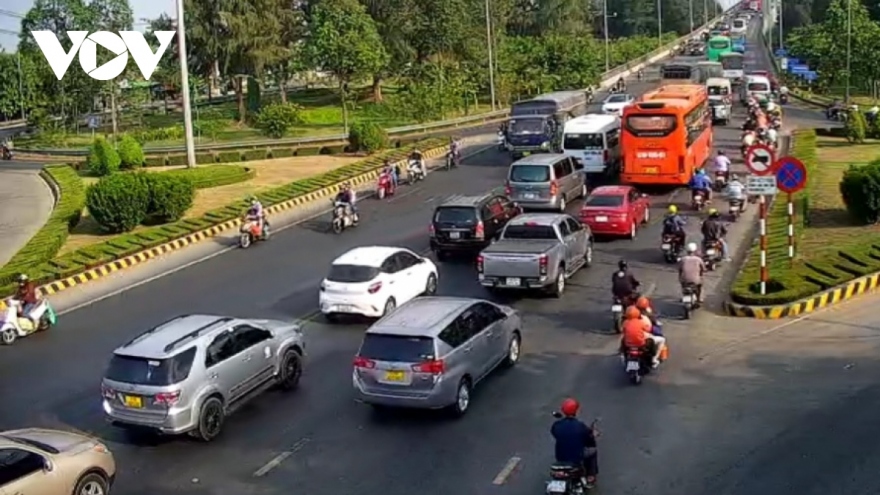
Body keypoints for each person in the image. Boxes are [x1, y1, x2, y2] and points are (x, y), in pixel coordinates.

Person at [550, 398, 598, 489]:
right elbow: (589, 439)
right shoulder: (580, 426)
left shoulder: (557, 425)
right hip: (577, 457)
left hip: (560, 458)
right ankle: (590, 476)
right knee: (592, 451)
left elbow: (554, 433)